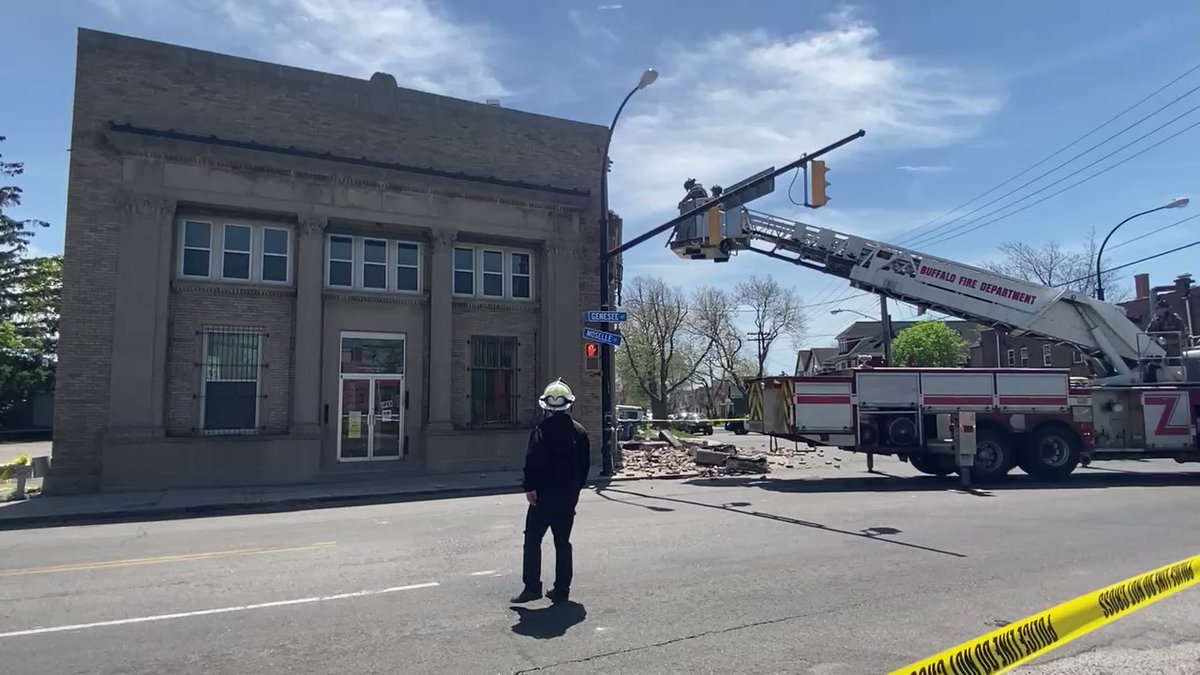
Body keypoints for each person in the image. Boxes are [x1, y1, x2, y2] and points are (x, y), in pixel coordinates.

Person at [511, 378, 591, 604]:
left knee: (533, 539)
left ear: (545, 406)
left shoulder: (541, 431)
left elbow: (532, 460)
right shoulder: (580, 432)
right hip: (567, 498)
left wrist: (530, 487)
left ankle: (532, 587)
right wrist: (574, 491)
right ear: (569, 405)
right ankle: (562, 589)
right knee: (562, 543)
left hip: (543, 498)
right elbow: (584, 467)